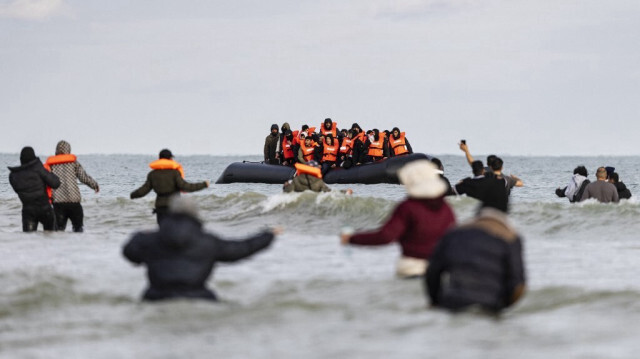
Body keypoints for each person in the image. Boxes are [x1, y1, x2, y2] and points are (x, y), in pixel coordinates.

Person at [123, 196, 280, 301]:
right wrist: (268, 235)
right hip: (198, 298)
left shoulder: (151, 240)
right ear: (195, 215)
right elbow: (240, 249)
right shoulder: (207, 241)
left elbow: (129, 252)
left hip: (156, 298)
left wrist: (140, 235)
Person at [340, 160, 455, 278]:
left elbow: (386, 236)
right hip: (439, 268)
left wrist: (352, 238)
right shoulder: (446, 208)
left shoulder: (408, 207)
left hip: (412, 268)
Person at [425, 204, 526, 314]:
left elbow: (432, 271)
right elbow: (518, 285)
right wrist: (503, 306)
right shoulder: (510, 238)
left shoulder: (454, 233)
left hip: (452, 302)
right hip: (490, 305)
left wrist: (435, 301)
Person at [130, 149, 209, 224]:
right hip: (174, 207)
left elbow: (144, 190)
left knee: (163, 232)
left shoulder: (152, 174)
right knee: (174, 233)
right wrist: (203, 184)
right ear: (170, 159)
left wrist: (133, 195)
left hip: (160, 208)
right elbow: (185, 187)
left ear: (160, 159)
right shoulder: (175, 173)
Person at [44, 140, 100, 232]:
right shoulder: (74, 163)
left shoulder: (51, 165)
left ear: (56, 151)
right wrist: (95, 185)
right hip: (74, 202)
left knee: (58, 231)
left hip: (58, 203)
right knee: (78, 229)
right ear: (68, 150)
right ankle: (78, 245)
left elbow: (44, 181)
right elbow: (83, 178)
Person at [8, 146, 61, 232]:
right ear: (33, 157)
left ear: (21, 159)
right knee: (51, 238)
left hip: (28, 211)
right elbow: (55, 183)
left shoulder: (13, 176)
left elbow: (17, 190)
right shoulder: (38, 168)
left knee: (29, 240)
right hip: (45, 209)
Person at [283, 160, 352, 194]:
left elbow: (288, 190)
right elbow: (330, 192)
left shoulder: (297, 179)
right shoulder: (318, 182)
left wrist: (285, 186)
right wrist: (345, 191)